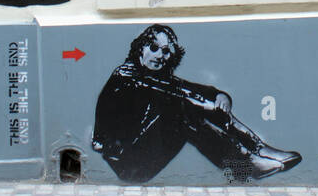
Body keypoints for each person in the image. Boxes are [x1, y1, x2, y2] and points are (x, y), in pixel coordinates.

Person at [92, 25, 302, 183]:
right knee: (184, 112)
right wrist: (209, 106)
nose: (160, 56)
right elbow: (183, 95)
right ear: (140, 49)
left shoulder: (155, 77)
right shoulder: (127, 76)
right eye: (154, 48)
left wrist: (220, 96)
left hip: (144, 153)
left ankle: (260, 151)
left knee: (188, 107)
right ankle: (247, 164)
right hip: (129, 163)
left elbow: (190, 88)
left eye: (166, 52)